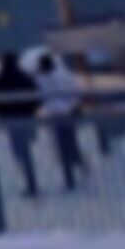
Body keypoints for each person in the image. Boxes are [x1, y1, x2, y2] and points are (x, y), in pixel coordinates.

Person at [0, 51, 42, 200]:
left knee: (20, 151)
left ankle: (30, 183)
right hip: (26, 116)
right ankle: (31, 181)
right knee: (26, 149)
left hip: (11, 119)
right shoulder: (25, 77)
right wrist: (32, 110)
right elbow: (36, 95)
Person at [36, 50, 88, 192]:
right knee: (67, 142)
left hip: (61, 113)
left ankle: (72, 171)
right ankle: (75, 167)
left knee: (64, 142)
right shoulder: (62, 75)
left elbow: (44, 96)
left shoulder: (48, 77)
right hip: (62, 113)